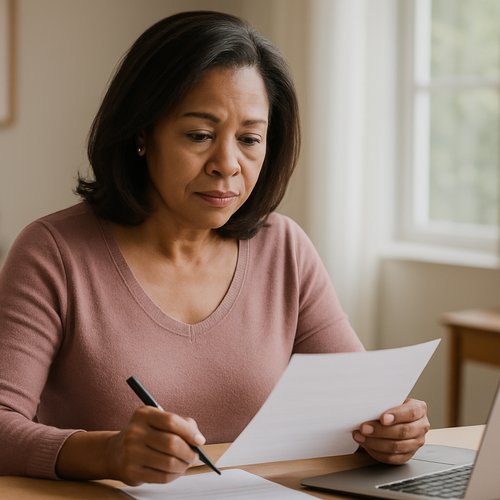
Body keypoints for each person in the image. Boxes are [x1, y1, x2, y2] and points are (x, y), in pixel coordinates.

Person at [0, 10, 429, 486]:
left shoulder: (283, 248)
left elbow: (362, 410)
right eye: (200, 135)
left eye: (249, 139)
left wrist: (392, 431)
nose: (227, 165)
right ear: (143, 133)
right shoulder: (53, 252)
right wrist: (109, 452)